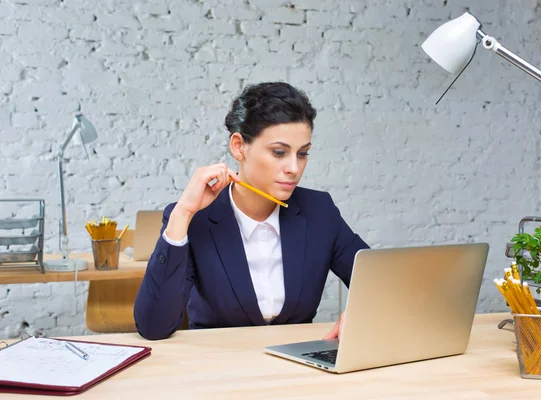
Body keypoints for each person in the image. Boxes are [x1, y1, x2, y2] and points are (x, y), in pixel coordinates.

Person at [133, 82, 369, 340]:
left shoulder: (319, 211)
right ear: (238, 146)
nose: (294, 168)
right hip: (217, 365)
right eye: (279, 152)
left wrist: (361, 313)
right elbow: (153, 327)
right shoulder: (196, 220)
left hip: (298, 367)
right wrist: (182, 214)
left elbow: (382, 282)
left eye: (302, 154)